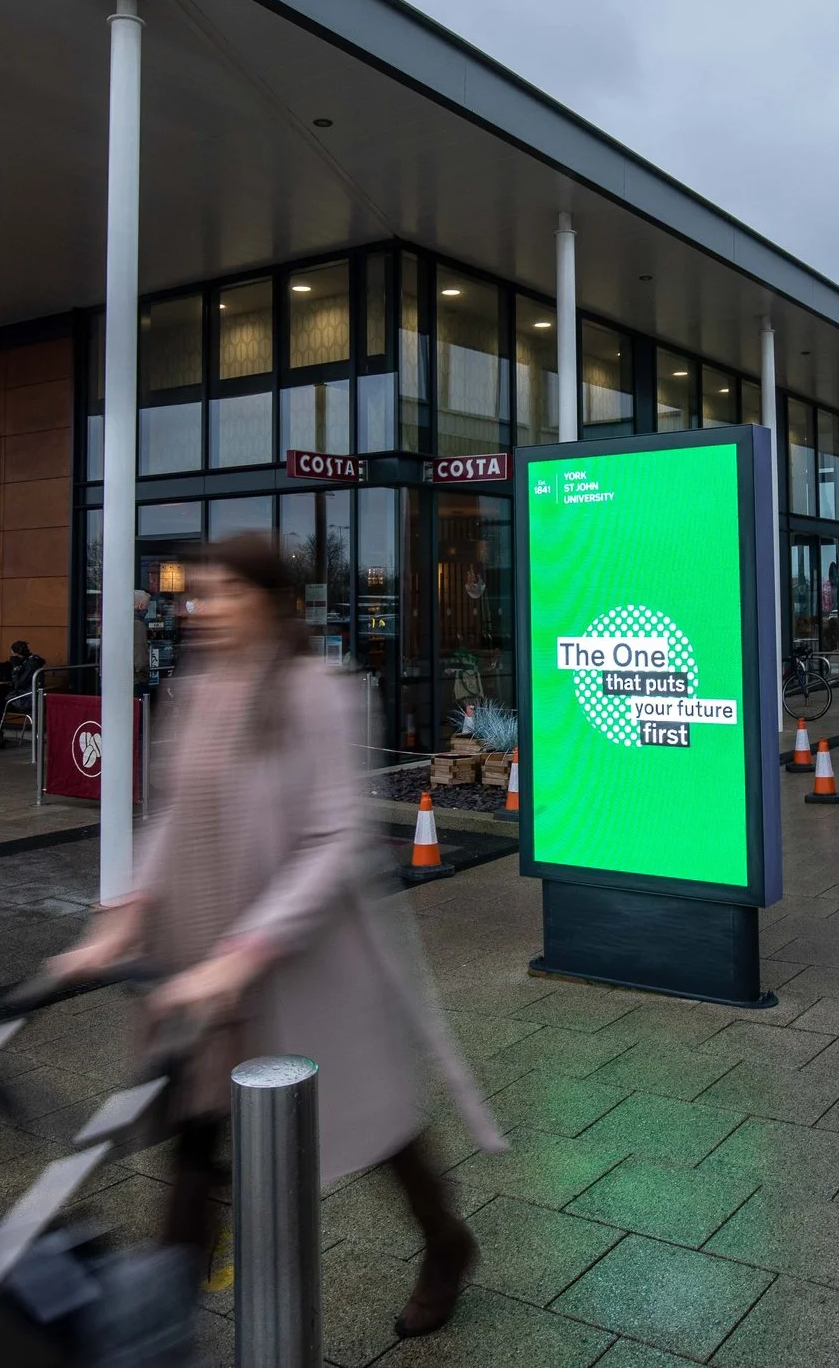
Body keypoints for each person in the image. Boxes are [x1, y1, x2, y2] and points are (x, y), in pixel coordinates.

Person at [44, 535, 502, 1339]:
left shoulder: (319, 692)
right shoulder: (199, 691)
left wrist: (248, 950)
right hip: (201, 956)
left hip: (304, 957)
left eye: (222, 593)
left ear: (269, 601)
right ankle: (162, 1325)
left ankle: (446, 1241)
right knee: (198, 1134)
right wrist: (124, 911)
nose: (200, 609)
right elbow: (177, 815)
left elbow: (333, 837)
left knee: (375, 1124)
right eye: (198, 595)